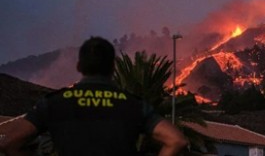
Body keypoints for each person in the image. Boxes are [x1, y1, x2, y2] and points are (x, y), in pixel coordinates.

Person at [0, 36, 188, 156]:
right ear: (113, 67)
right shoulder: (132, 105)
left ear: (79, 67)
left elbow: (10, 142)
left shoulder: (55, 103)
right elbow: (176, 140)